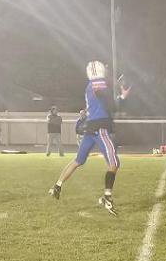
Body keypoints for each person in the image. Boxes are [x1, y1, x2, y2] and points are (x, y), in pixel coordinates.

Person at [48, 61, 129, 215]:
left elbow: (106, 101)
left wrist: (116, 91)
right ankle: (107, 197)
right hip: (99, 127)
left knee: (78, 160)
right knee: (114, 162)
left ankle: (57, 186)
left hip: (91, 127)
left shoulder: (90, 85)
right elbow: (111, 105)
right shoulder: (98, 84)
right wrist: (122, 97)